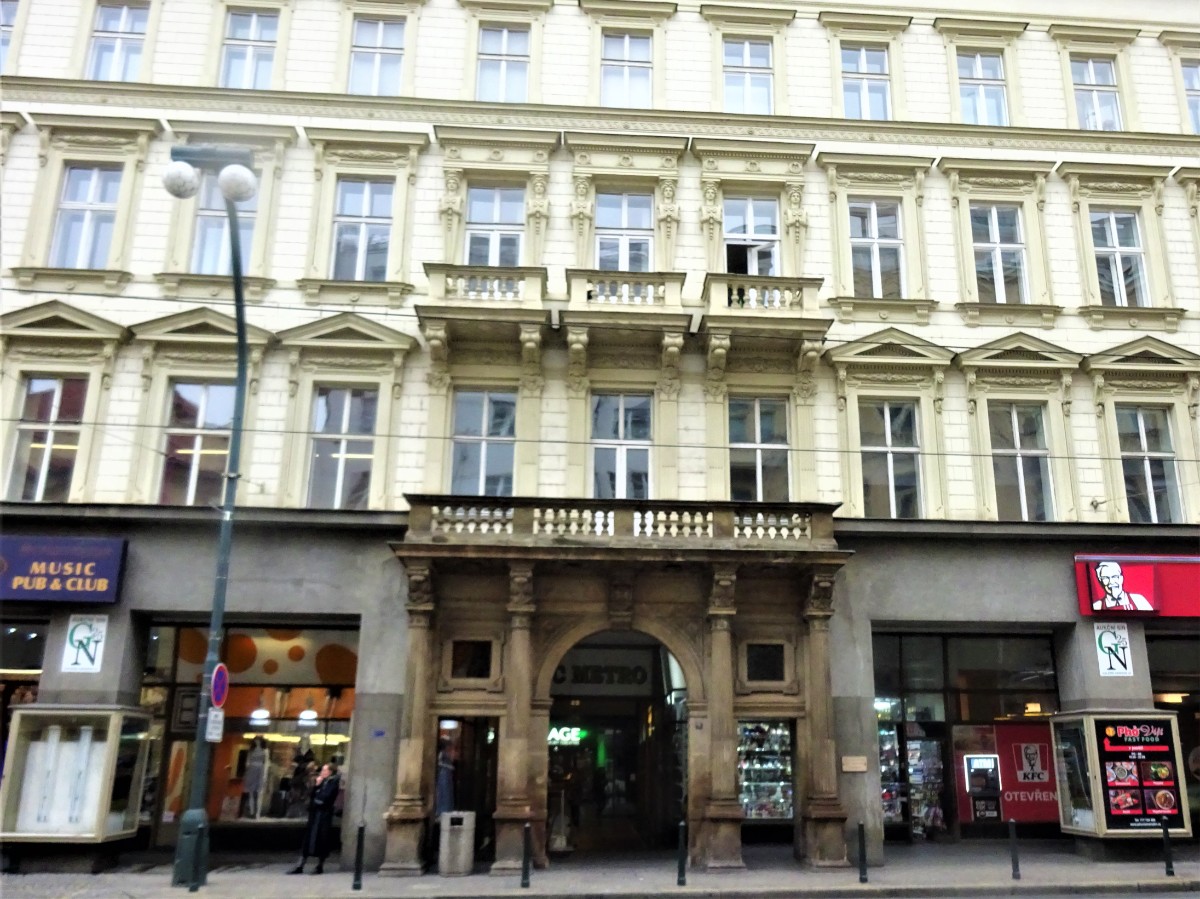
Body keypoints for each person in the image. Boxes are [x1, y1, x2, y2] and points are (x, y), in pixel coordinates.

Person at [287, 762, 341, 875]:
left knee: (322, 839)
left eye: (324, 770)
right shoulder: (321, 781)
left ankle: (319, 865)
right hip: (315, 814)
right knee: (308, 840)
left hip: (324, 815)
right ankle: (300, 865)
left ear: (330, 772)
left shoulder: (333, 783)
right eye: (322, 770)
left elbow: (326, 797)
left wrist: (317, 795)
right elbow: (312, 795)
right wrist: (316, 786)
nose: (322, 772)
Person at [242, 737, 267, 819]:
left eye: (259, 740)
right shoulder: (251, 751)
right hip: (251, 771)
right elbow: (247, 762)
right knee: (251, 793)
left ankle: (257, 813)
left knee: (259, 792)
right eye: (256, 740)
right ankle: (252, 812)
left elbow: (266, 763)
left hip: (259, 771)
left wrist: (264, 775)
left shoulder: (265, 751)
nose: (257, 742)